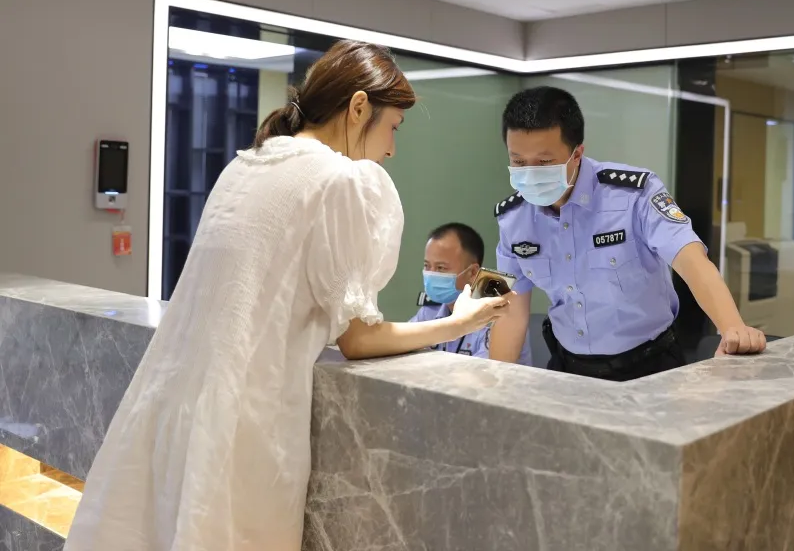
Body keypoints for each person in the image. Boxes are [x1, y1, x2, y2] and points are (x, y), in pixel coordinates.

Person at [65, 41, 508, 551]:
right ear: (358, 108)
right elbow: (359, 340)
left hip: (169, 411)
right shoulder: (340, 180)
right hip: (244, 430)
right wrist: (460, 321)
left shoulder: (246, 165)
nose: (391, 149)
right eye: (393, 128)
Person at [487, 86, 765, 382]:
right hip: (568, 368)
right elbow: (507, 309)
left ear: (577, 154)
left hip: (650, 365)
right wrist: (491, 383)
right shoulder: (511, 217)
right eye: (518, 162)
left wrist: (732, 328)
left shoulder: (635, 193)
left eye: (544, 162)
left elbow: (691, 260)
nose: (530, 174)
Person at [411, 222, 532, 364]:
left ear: (473, 272)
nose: (431, 274)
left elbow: (485, 372)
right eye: (427, 266)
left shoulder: (497, 312)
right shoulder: (430, 310)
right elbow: (404, 352)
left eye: (441, 268)